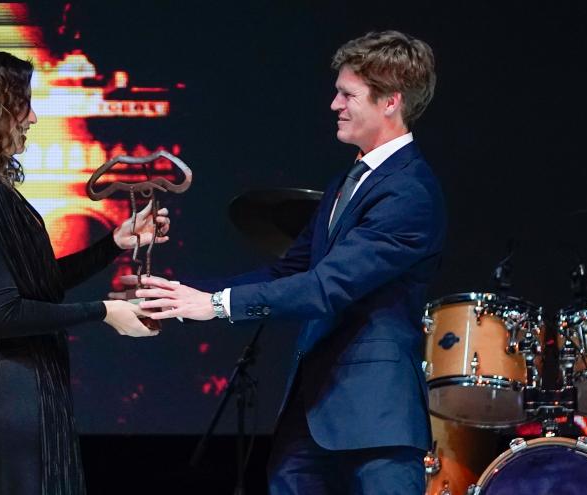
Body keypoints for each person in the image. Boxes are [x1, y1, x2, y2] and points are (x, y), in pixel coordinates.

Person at [130, 31, 446, 494]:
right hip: (311, 411)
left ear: (390, 102)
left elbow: (325, 288)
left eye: (347, 94)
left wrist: (216, 305)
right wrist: (184, 297)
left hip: (374, 420)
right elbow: (289, 270)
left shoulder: (409, 192)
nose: (334, 104)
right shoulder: (347, 180)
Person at [0, 48, 169, 494]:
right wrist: (104, 311)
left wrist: (114, 243)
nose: (31, 118)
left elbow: (35, 283)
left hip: (12, 376)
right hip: (12, 383)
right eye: (23, 105)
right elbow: (5, 313)